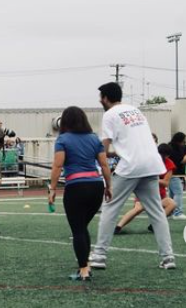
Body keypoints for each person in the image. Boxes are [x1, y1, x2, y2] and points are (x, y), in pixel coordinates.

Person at [89, 82, 176, 270]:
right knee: (157, 213)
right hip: (152, 164)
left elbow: (103, 147)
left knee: (110, 208)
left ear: (105, 98)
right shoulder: (135, 110)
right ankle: (168, 257)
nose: (99, 101)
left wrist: (99, 165)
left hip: (131, 166)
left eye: (100, 97)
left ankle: (99, 256)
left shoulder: (109, 115)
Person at [48, 106, 111, 281]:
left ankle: (83, 269)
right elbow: (104, 165)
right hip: (96, 185)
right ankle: (86, 264)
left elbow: (58, 165)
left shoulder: (63, 139)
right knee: (82, 227)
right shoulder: (94, 138)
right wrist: (109, 186)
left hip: (76, 187)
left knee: (78, 229)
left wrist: (52, 189)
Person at [114, 143, 177, 234]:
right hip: (145, 194)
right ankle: (118, 227)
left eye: (163, 155)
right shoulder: (148, 161)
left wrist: (152, 179)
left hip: (159, 196)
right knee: (138, 208)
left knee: (171, 204)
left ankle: (155, 225)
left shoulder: (169, 163)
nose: (161, 157)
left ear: (167, 155)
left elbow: (165, 183)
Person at [167, 132, 186, 219]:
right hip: (174, 174)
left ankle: (170, 212)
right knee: (178, 193)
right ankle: (177, 212)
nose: (184, 143)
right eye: (183, 141)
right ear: (179, 140)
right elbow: (180, 161)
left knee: (172, 194)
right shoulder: (172, 148)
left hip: (177, 174)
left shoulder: (180, 147)